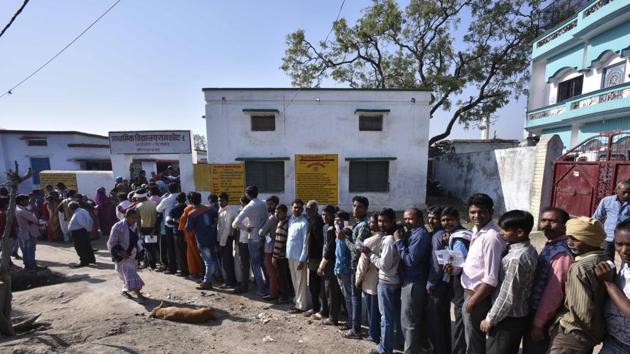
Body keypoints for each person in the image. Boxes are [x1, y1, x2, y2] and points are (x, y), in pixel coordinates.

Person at [479, 210, 538, 354]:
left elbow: (507, 294)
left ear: (519, 232)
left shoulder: (515, 259)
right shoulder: (529, 249)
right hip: (517, 316)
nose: (501, 233)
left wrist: (490, 319)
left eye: (505, 230)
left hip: (507, 319)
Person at [549, 217, 610, 354]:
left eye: (575, 239)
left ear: (590, 240)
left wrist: (564, 324)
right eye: (568, 237)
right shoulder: (605, 259)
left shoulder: (580, 267)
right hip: (594, 331)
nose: (569, 242)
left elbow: (582, 312)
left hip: (574, 333)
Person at [461, 193, 506, 354]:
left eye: (481, 212)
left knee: (474, 343)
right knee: (470, 339)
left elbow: (491, 278)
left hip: (478, 297)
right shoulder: (477, 230)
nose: (476, 216)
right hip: (470, 293)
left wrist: (472, 302)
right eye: (473, 212)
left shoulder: (491, 237)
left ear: (491, 212)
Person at [523, 207, 572, 354]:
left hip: (543, 316)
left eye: (553, 221)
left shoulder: (561, 253)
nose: (547, 225)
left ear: (565, 225)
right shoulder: (552, 244)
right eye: (544, 220)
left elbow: (554, 292)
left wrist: (539, 324)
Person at [395, 208, 432, 354]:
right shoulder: (411, 232)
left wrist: (398, 242)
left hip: (414, 282)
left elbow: (410, 260)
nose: (407, 221)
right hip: (408, 280)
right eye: (405, 218)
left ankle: (410, 351)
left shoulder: (421, 235)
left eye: (410, 219)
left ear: (419, 219)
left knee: (409, 321)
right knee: (409, 319)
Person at [366, 208, 402, 354]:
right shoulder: (396, 236)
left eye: (385, 221)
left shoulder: (388, 240)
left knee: (385, 318)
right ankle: (396, 343)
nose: (381, 224)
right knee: (393, 316)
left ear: (392, 221)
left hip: (387, 282)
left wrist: (370, 255)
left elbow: (384, 266)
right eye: (380, 221)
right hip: (395, 281)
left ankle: (384, 349)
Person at [337, 196, 371, 339]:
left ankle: (356, 329)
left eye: (359, 207)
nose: (356, 209)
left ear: (365, 209)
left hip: (356, 266)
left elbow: (357, 249)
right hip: (356, 265)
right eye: (354, 206)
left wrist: (344, 239)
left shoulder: (363, 225)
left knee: (355, 297)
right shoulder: (358, 224)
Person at [596, 219, 630, 354]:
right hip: (613, 340)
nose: (624, 250)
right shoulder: (625, 265)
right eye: (619, 244)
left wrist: (609, 284)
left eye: (629, 245)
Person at [441, 207, 472, 354]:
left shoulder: (459, 238)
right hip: (464, 282)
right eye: (444, 220)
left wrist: (450, 268)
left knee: (460, 318)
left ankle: (458, 350)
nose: (446, 223)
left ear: (457, 219)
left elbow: (458, 264)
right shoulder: (463, 233)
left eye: (450, 219)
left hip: (461, 282)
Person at [232, 186, 269, 299]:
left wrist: (245, 228)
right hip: (263, 236)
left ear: (247, 194)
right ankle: (269, 286)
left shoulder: (249, 206)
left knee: (255, 265)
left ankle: (262, 290)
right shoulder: (263, 203)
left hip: (253, 238)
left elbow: (235, 223)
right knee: (263, 263)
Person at [427, 208, 452, 354]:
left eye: (434, 218)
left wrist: (430, 284)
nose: (430, 221)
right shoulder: (438, 234)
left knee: (437, 322)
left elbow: (438, 264)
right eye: (429, 217)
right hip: (442, 283)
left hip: (438, 284)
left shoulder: (438, 236)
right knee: (442, 320)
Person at [107, 208, 145, 300]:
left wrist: (140, 251)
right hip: (122, 256)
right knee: (131, 274)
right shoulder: (118, 227)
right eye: (132, 218)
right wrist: (121, 252)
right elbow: (112, 242)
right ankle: (138, 294)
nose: (134, 220)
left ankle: (124, 291)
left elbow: (138, 239)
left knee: (128, 276)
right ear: (126, 217)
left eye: (136, 218)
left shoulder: (135, 225)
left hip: (133, 254)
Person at [355, 212, 382, 343]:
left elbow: (362, 265)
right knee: (380, 311)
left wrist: (358, 280)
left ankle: (374, 335)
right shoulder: (387, 238)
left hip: (370, 281)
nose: (370, 224)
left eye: (372, 221)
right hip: (382, 281)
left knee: (372, 312)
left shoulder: (369, 241)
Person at [186, 192, 219, 290]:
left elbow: (188, 228)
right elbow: (217, 216)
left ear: (190, 201)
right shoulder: (209, 209)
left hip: (202, 240)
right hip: (212, 238)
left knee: (208, 262)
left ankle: (207, 281)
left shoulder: (191, 213)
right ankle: (216, 276)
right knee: (214, 259)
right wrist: (213, 225)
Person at [317, 205, 343, 326]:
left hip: (331, 263)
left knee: (331, 291)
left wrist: (322, 265)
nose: (324, 217)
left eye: (327, 215)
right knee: (327, 289)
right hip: (327, 262)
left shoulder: (333, 229)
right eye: (323, 214)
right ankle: (327, 312)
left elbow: (330, 250)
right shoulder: (326, 227)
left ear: (333, 215)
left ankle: (333, 318)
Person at [593, 180, 630, 260]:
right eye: (624, 192)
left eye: (629, 193)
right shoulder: (607, 201)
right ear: (617, 190)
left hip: (625, 239)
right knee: (607, 260)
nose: (627, 195)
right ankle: (612, 272)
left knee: (626, 260)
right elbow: (596, 217)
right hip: (608, 237)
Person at [286, 199, 310, 312]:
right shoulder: (290, 220)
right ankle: (297, 301)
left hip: (299, 257)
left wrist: (302, 259)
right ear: (292, 208)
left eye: (300, 208)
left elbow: (306, 243)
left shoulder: (304, 223)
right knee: (295, 281)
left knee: (301, 282)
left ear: (302, 209)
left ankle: (301, 306)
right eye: (295, 207)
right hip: (290, 255)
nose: (297, 209)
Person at [305, 200, 325, 318]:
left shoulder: (318, 222)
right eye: (307, 209)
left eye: (310, 209)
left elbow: (319, 242)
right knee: (315, 284)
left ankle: (316, 308)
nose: (308, 211)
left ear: (316, 210)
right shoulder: (311, 220)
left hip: (317, 258)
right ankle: (317, 306)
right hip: (313, 257)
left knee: (315, 284)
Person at [334, 210, 354, 331]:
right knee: (346, 297)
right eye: (336, 219)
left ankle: (352, 322)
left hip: (346, 270)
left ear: (345, 221)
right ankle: (351, 320)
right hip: (339, 269)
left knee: (349, 297)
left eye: (340, 219)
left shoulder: (347, 232)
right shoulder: (338, 233)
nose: (337, 221)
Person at [179, 193, 204, 280]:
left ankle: (195, 272)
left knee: (192, 255)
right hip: (202, 235)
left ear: (189, 200)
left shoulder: (188, 209)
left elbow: (182, 224)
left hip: (190, 235)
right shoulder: (204, 208)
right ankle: (202, 272)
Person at [156, 183, 180, 275]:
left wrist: (163, 198)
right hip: (180, 225)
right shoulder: (182, 197)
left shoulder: (167, 199)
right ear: (178, 188)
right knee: (180, 247)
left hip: (169, 225)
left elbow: (158, 209)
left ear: (169, 190)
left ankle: (172, 268)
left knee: (171, 248)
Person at [259, 196, 280, 298]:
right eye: (268, 204)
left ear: (276, 204)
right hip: (277, 247)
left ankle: (273, 293)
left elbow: (261, 232)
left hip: (270, 248)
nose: (268, 206)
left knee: (271, 272)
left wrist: (262, 231)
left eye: (271, 204)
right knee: (275, 272)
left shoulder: (272, 218)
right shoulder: (277, 216)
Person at [134, 189, 159, 270]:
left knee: (147, 247)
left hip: (144, 228)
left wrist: (139, 230)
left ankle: (151, 264)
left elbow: (138, 220)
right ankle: (149, 262)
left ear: (140, 198)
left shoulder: (138, 207)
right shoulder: (154, 204)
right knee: (153, 246)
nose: (136, 199)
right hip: (154, 228)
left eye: (137, 198)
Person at [217, 192, 237, 288]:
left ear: (226, 201)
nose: (220, 202)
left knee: (227, 261)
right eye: (219, 200)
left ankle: (230, 282)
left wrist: (222, 243)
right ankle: (229, 280)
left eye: (222, 200)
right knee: (225, 262)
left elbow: (226, 229)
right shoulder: (221, 210)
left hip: (226, 239)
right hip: (221, 238)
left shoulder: (228, 211)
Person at [15, 194, 40, 270]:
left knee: (26, 250)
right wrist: (32, 215)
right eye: (26, 200)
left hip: (23, 232)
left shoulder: (18, 209)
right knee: (30, 250)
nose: (28, 201)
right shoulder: (22, 211)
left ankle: (28, 265)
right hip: (29, 232)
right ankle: (32, 266)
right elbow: (35, 219)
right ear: (21, 201)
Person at [68, 201, 96, 267]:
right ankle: (91, 259)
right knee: (87, 246)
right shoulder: (82, 211)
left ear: (72, 208)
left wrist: (88, 229)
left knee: (80, 247)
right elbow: (90, 220)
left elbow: (83, 222)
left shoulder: (78, 213)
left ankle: (84, 261)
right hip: (82, 231)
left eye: (69, 208)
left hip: (79, 232)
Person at [273, 204, 292, 303]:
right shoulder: (285, 222)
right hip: (286, 255)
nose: (276, 214)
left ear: (285, 213)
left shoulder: (283, 225)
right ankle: (289, 295)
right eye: (276, 212)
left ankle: (284, 297)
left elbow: (278, 243)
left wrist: (274, 257)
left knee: (282, 277)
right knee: (286, 276)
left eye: (279, 212)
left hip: (281, 255)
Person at [232, 195, 251, 294]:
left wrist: (244, 228)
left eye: (240, 203)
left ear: (243, 203)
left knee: (244, 264)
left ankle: (244, 285)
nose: (240, 205)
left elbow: (235, 224)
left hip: (244, 241)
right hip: (250, 240)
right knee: (250, 264)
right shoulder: (253, 211)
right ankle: (248, 282)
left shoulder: (243, 212)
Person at [168, 192, 189, 277]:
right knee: (187, 251)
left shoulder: (174, 209)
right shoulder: (188, 208)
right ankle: (190, 269)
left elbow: (169, 221)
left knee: (180, 253)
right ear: (185, 199)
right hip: (188, 232)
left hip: (178, 233)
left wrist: (176, 222)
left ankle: (184, 271)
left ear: (177, 199)